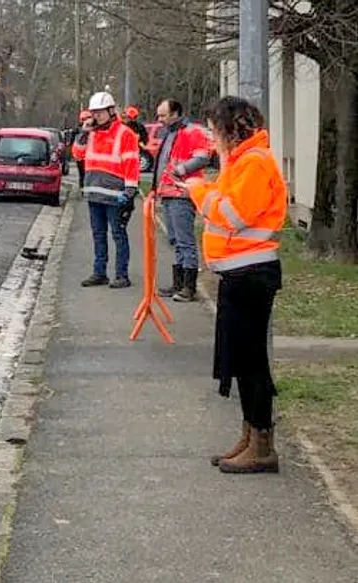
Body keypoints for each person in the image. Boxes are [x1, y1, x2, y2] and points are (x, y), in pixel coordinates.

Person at [176, 96, 287, 474]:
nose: (210, 139)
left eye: (213, 130)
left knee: (251, 362)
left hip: (251, 274)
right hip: (240, 273)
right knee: (241, 361)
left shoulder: (254, 164)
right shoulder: (240, 163)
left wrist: (197, 190)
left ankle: (261, 444)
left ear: (228, 129)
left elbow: (231, 214)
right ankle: (251, 436)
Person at [71, 91, 141, 289]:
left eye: (100, 113)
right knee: (98, 235)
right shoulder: (91, 133)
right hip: (94, 193)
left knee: (118, 235)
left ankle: (121, 275)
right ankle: (99, 273)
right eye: (94, 113)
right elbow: (77, 154)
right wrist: (84, 132)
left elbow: (131, 162)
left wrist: (130, 190)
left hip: (115, 195)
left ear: (111, 111)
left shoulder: (124, 133)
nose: (97, 116)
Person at [153, 98, 213, 302]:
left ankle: (189, 286)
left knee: (184, 241)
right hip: (170, 193)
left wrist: (182, 169)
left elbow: (203, 157)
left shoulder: (191, 132)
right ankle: (180, 284)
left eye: (162, 115)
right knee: (176, 240)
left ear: (175, 114)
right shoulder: (171, 133)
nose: (159, 119)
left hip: (182, 193)